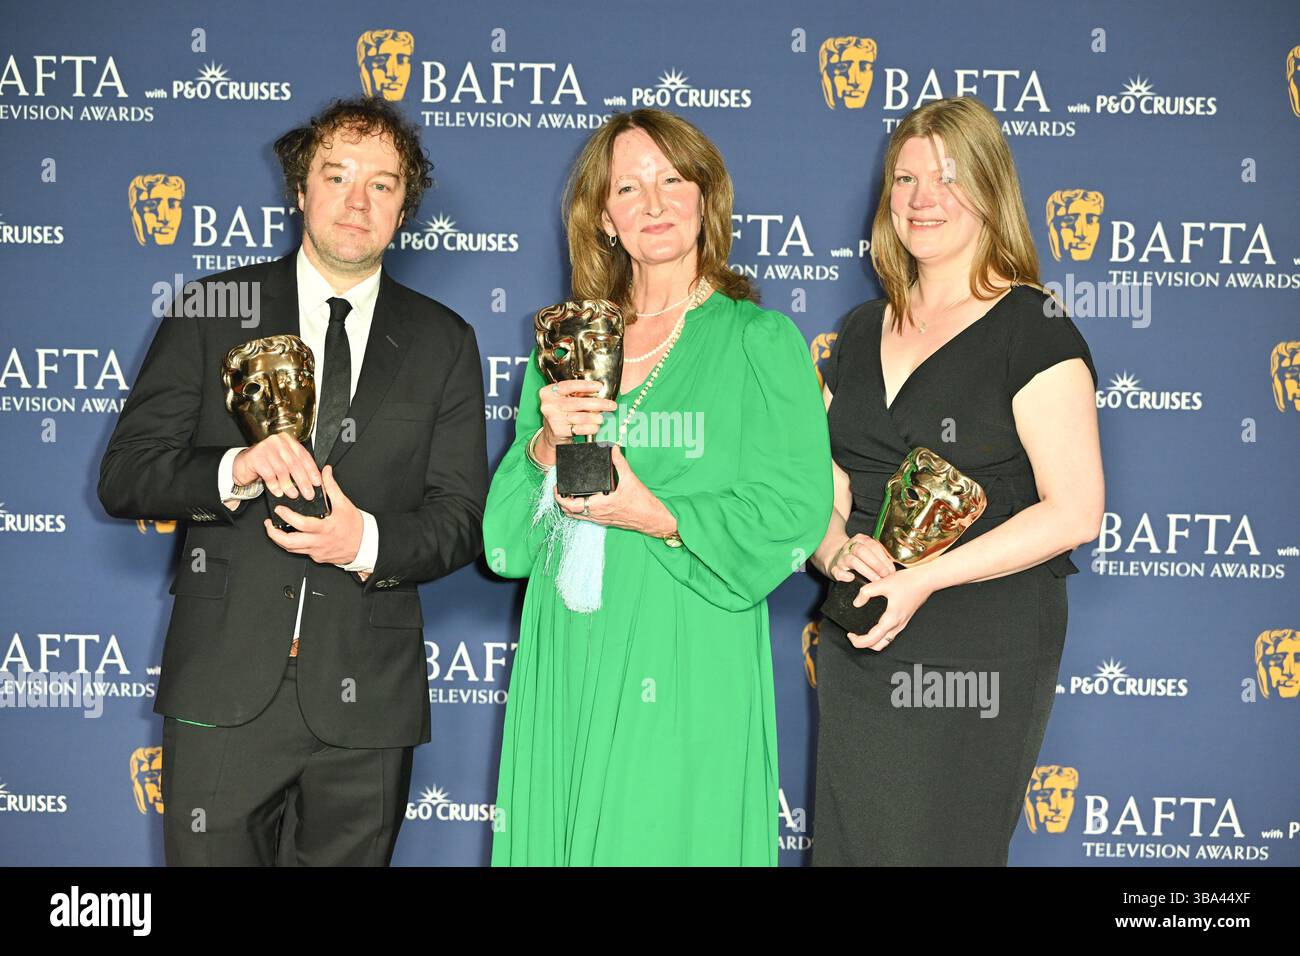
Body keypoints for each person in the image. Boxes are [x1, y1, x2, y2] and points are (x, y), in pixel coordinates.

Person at [98, 96, 488, 866]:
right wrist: (232, 469)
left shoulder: (445, 340)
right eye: (336, 174)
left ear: (404, 208)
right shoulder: (215, 307)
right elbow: (127, 474)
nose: (357, 199)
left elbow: (461, 517)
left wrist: (363, 539)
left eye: (383, 184)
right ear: (299, 189)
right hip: (223, 684)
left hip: (367, 704)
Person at [483, 108, 832, 865]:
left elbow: (795, 511)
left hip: (684, 646)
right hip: (567, 650)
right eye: (628, 187)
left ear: (706, 198)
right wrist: (544, 444)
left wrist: (660, 516)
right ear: (603, 218)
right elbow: (506, 544)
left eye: (673, 180)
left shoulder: (758, 341)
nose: (654, 202)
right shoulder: (564, 348)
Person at [809, 96, 1104, 866]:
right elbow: (826, 483)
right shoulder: (861, 329)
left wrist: (924, 580)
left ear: (990, 190)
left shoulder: (1031, 325)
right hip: (862, 633)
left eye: (946, 177)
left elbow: (1075, 511)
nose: (921, 199)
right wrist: (835, 551)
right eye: (905, 180)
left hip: (979, 641)